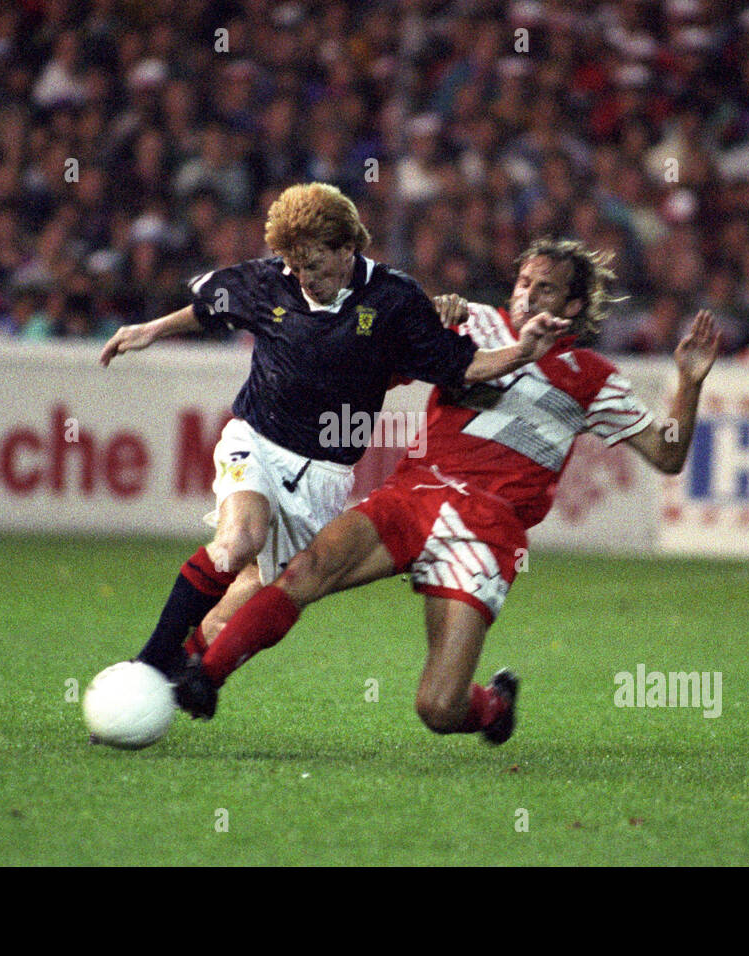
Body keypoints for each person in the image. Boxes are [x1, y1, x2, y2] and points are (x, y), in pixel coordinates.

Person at [175, 238, 721, 743]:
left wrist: (689, 384)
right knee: (304, 571)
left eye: (545, 287)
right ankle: (203, 676)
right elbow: (378, 366)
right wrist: (423, 322)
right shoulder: (472, 324)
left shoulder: (592, 377)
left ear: (574, 307)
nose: (527, 294)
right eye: (524, 281)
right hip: (413, 495)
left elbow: (668, 453)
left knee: (438, 708)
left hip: (485, 530)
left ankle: (493, 708)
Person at [98, 183, 569, 683]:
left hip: (324, 476)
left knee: (225, 619)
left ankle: (162, 688)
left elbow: (461, 365)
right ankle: (147, 663)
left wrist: (521, 353)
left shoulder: (393, 300)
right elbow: (211, 308)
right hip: (256, 440)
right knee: (238, 539)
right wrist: (150, 330)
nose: (304, 279)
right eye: (295, 267)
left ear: (348, 249)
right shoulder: (270, 281)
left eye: (316, 267)